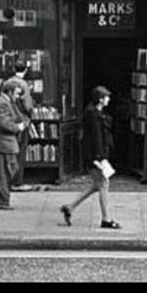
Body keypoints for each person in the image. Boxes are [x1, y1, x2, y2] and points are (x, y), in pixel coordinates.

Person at [59, 86, 121, 230]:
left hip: (95, 155)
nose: (109, 99)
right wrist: (100, 158)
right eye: (106, 97)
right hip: (95, 156)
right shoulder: (93, 114)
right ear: (100, 99)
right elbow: (96, 137)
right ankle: (106, 219)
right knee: (104, 184)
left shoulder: (96, 112)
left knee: (98, 185)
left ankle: (70, 207)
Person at [0, 80, 28, 210]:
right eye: (17, 93)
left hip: (6, 142)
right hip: (3, 142)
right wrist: (18, 127)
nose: (18, 96)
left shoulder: (8, 102)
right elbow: (4, 123)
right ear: (9, 92)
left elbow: (14, 115)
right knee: (7, 170)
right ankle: (1, 199)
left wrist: (21, 118)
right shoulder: (2, 103)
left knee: (10, 169)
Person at [5, 61, 34, 192]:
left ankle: (7, 180)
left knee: (9, 151)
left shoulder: (7, 83)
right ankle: (17, 181)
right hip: (21, 120)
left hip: (8, 119)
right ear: (26, 71)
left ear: (13, 68)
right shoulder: (24, 85)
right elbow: (28, 105)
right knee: (20, 152)